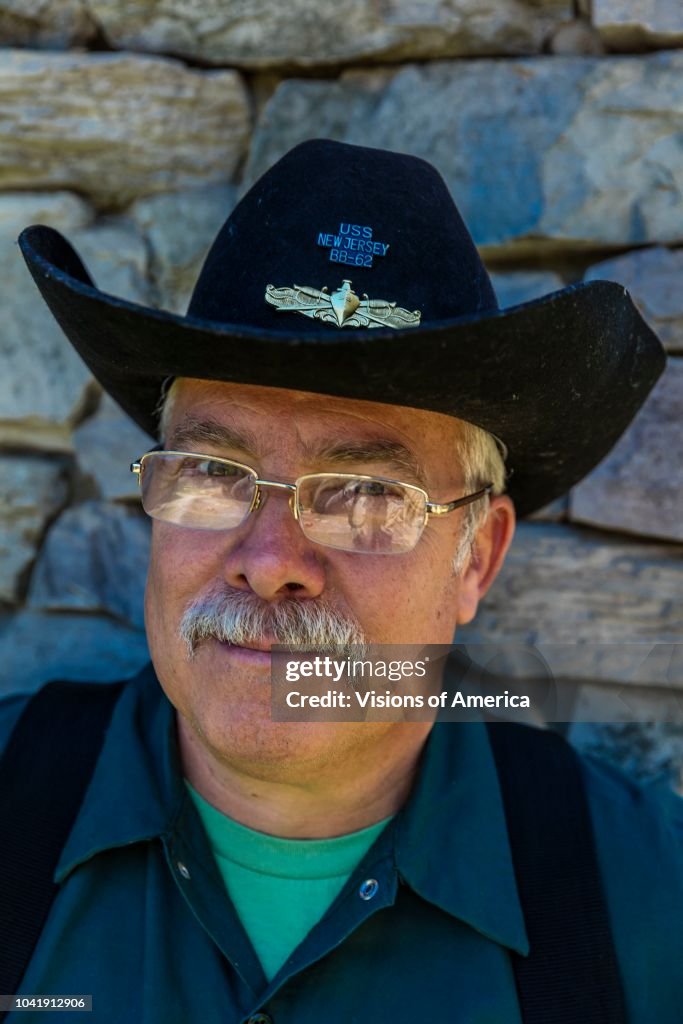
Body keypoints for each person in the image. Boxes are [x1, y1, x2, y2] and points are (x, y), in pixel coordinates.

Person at [2, 139, 681, 1023]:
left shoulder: (645, 913)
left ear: (474, 557)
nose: (271, 559)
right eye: (212, 472)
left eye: (366, 494)